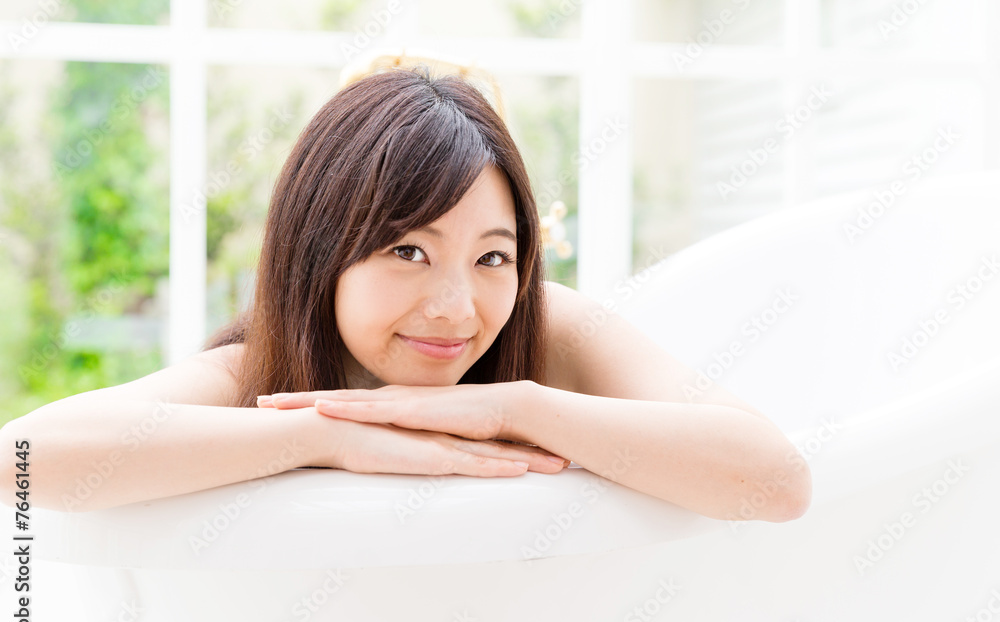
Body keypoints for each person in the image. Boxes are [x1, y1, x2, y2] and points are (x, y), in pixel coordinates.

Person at [0, 66, 810, 522]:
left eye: (494, 257)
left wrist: (514, 408)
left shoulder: (549, 325)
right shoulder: (252, 375)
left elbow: (775, 479)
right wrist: (323, 437)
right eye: (408, 249)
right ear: (320, 253)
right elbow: (21, 460)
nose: (458, 307)